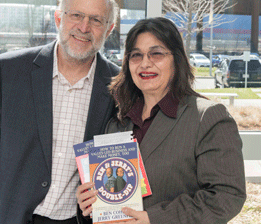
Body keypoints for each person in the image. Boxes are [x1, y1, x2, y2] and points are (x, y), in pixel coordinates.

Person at [0, 0, 120, 224]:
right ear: (58, 18)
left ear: (109, 29)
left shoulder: (118, 86)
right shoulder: (8, 72)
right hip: (6, 217)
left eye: (96, 20)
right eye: (76, 15)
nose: (84, 27)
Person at [76, 17, 246, 223]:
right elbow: (111, 191)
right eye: (136, 55)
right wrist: (89, 199)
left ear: (177, 59)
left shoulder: (207, 117)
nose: (145, 63)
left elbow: (227, 197)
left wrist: (154, 219)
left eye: (156, 54)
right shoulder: (118, 121)